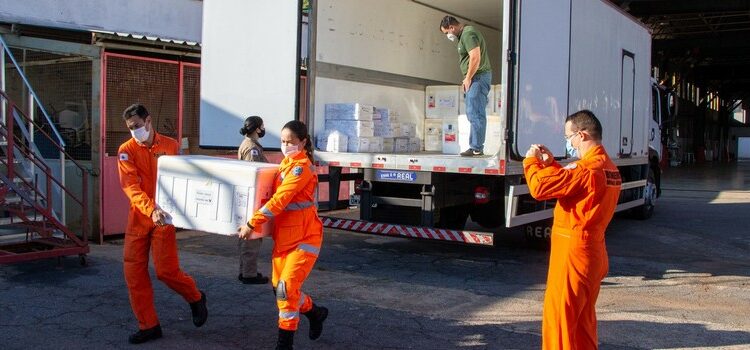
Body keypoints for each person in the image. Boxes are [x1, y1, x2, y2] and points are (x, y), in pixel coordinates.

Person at [523, 110, 622, 349]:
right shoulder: (608, 168)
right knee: (582, 321)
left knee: (560, 321)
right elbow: (571, 184)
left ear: (582, 135)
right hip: (593, 250)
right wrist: (553, 165)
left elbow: (540, 188)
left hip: (573, 252)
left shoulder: (587, 169)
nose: (568, 142)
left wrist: (531, 162)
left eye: (569, 137)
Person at [117, 103, 208, 344]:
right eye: (129, 128)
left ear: (148, 122)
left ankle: (196, 297)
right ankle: (149, 326)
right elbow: (131, 186)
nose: (134, 131)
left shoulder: (170, 146)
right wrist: (150, 209)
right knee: (134, 275)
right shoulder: (126, 150)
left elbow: (183, 179)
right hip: (139, 218)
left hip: (164, 219)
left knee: (166, 271)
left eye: (137, 126)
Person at [238, 120, 328, 350]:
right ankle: (315, 313)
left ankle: (284, 344)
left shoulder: (300, 168)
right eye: (283, 141)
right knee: (280, 288)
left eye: (291, 142)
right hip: (285, 238)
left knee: (285, 290)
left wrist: (253, 223)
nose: (286, 145)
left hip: (305, 237)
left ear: (303, 142)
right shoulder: (285, 165)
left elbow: (280, 200)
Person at [440, 15, 492, 157]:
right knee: (472, 112)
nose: (448, 35)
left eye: (447, 32)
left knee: (475, 112)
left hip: (478, 77)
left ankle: (476, 147)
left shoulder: (468, 34)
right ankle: (475, 146)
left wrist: (468, 78)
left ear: (452, 27)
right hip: (475, 77)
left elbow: (475, 56)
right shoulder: (464, 35)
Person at [236, 116, 270, 285]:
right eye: (262, 126)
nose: (264, 129)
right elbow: (254, 173)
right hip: (252, 198)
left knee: (247, 236)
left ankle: (245, 271)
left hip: (248, 197)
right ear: (257, 128)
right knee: (252, 236)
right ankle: (249, 274)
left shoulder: (250, 145)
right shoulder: (252, 149)